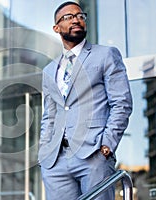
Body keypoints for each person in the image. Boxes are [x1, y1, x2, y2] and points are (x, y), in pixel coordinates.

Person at [38, 1, 133, 199]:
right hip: (55, 161)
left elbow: (121, 103)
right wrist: (44, 151)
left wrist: (107, 144)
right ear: (56, 28)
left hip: (93, 155)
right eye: (69, 17)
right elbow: (49, 115)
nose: (76, 20)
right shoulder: (49, 70)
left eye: (80, 16)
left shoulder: (106, 55)